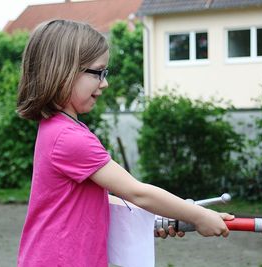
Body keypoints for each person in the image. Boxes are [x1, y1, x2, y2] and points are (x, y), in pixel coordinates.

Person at [16, 19, 234, 267]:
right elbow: (136, 192)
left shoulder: (57, 129)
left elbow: (97, 199)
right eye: (98, 72)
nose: (105, 83)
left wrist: (161, 215)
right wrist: (198, 215)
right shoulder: (70, 138)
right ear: (63, 70)